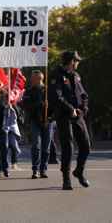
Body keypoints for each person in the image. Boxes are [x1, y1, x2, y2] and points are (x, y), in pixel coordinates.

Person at [49, 51, 91, 190]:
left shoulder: (76, 76)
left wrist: (83, 108)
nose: (78, 62)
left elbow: (83, 94)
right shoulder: (57, 75)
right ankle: (66, 179)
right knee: (68, 147)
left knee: (86, 146)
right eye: (76, 60)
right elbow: (57, 96)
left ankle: (79, 171)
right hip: (64, 115)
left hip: (78, 115)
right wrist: (70, 108)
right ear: (72, 61)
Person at [23, 70, 51, 179]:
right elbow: (26, 106)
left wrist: (50, 106)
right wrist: (39, 104)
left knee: (46, 148)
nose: (31, 80)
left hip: (48, 121)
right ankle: (35, 170)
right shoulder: (29, 91)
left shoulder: (48, 90)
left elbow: (57, 103)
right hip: (35, 121)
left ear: (40, 79)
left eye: (33, 78)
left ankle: (43, 169)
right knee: (36, 145)